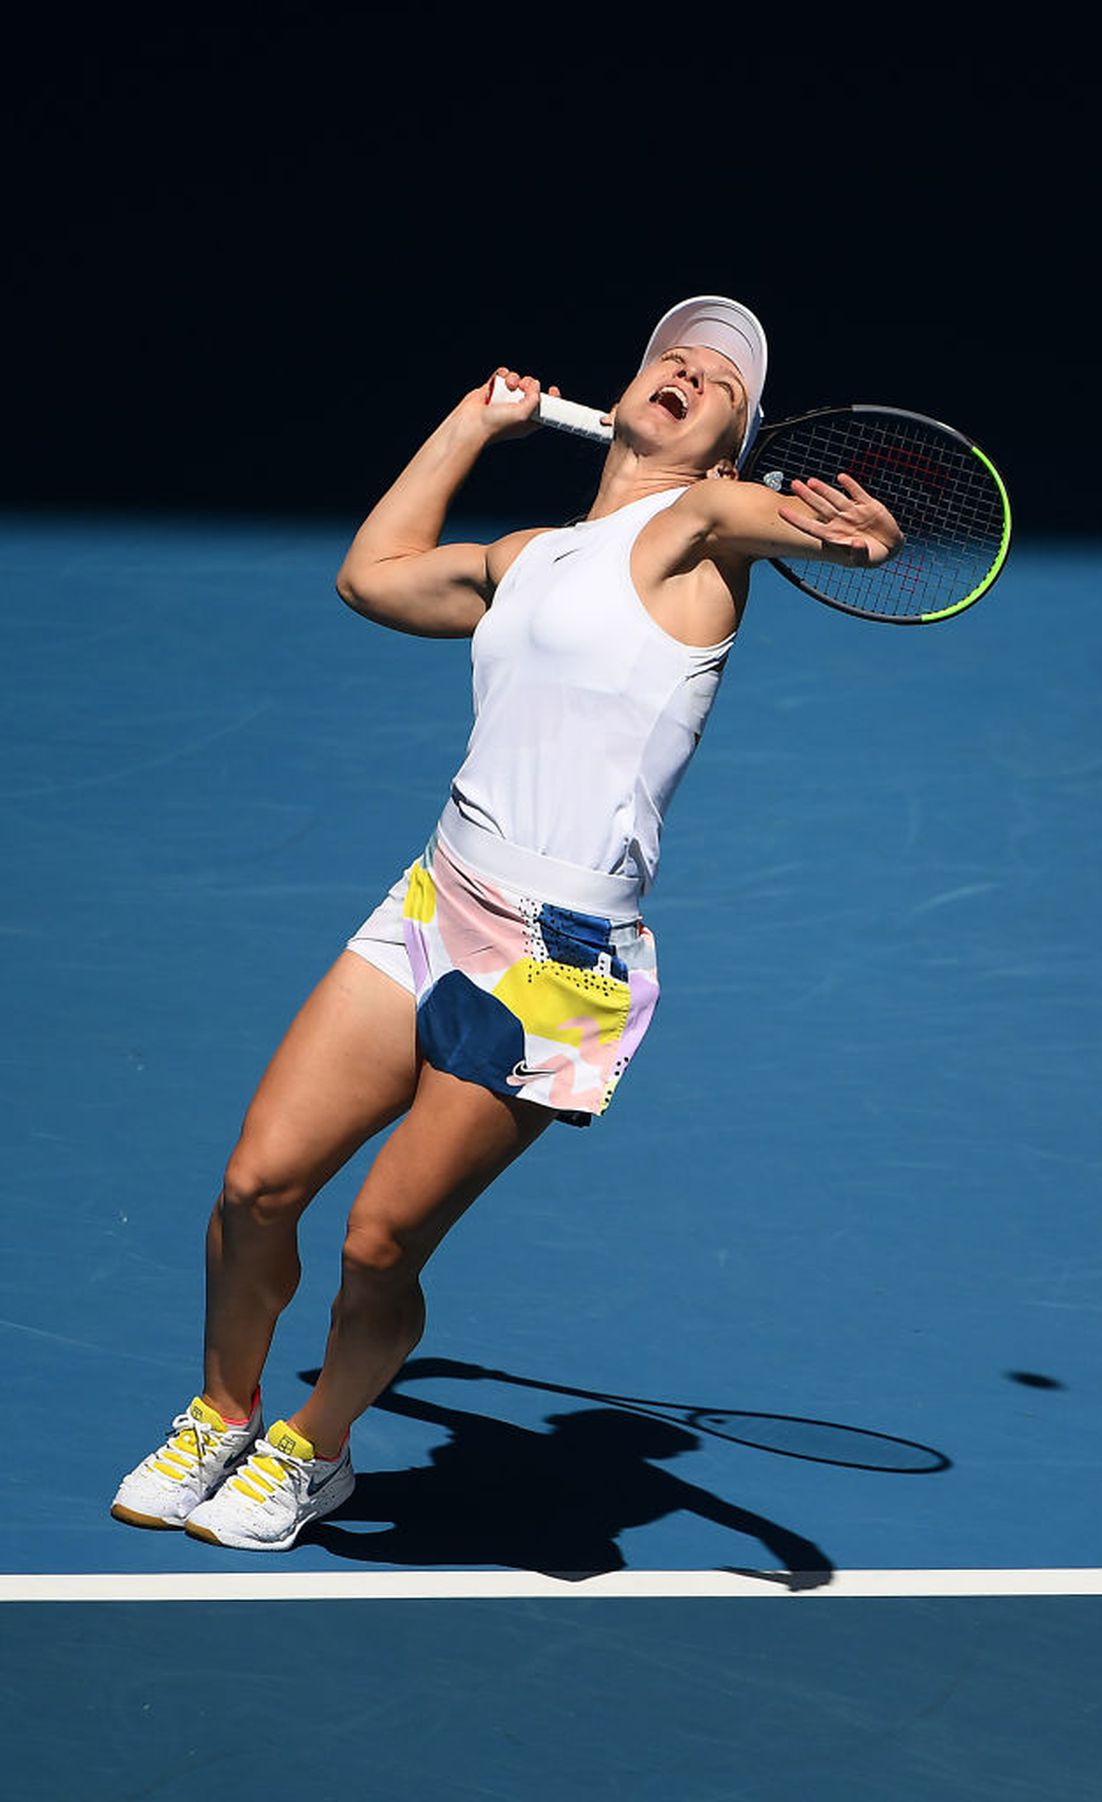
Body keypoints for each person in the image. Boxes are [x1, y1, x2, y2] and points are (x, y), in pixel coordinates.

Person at [111, 296, 903, 1552]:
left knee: (379, 1243)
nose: (688, 367)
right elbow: (369, 577)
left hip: (558, 966)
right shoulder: (527, 554)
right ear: (632, 389)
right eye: (671, 355)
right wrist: (473, 422)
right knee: (258, 1184)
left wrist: (849, 544)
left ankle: (317, 1447)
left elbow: (772, 519)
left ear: (731, 443)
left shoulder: (698, 529)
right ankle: (222, 1406)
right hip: (433, 901)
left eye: (721, 378)